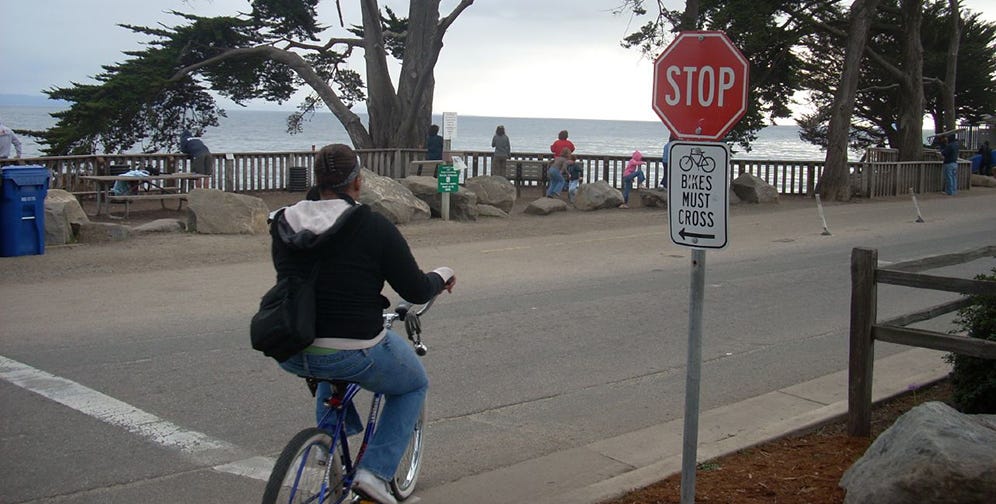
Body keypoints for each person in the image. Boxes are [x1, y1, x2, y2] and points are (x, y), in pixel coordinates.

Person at [269, 144, 456, 504]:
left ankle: (326, 445)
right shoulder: (373, 227)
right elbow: (415, 288)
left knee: (327, 365)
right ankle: (375, 472)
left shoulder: (283, 221)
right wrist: (441, 275)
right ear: (357, 182)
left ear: (317, 180)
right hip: (354, 345)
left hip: (291, 344)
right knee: (413, 385)